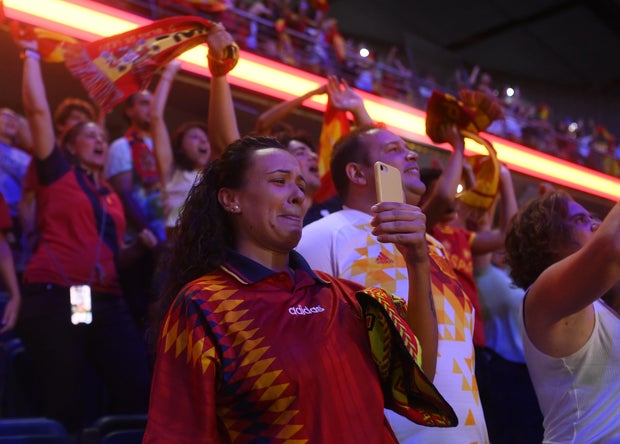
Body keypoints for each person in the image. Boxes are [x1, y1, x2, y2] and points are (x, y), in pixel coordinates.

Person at [144, 135, 454, 442]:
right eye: (279, 181)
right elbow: (176, 434)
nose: (297, 196)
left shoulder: (346, 296)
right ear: (231, 199)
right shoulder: (204, 305)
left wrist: (417, 262)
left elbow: (420, 375)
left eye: (301, 186)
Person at [297, 125, 489, 443]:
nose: (412, 153)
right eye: (393, 150)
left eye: (407, 148)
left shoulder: (434, 249)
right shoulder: (323, 236)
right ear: (357, 174)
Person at [15, 37, 154, 433]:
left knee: (135, 388)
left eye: (102, 136)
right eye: (89, 135)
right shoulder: (56, 173)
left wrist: (136, 249)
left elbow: (111, 255)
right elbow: (37, 112)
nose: (99, 140)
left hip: (103, 299)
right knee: (69, 399)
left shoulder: (110, 195)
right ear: (70, 148)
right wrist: (31, 54)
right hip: (55, 295)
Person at [505, 190, 620, 443]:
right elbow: (612, 247)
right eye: (581, 220)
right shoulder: (541, 298)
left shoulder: (603, 306)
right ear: (549, 243)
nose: (597, 225)